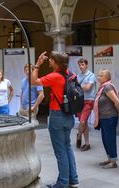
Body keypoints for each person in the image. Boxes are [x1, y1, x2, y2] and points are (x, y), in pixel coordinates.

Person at [31, 51, 79, 188]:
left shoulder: (55, 76)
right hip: (69, 115)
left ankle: (63, 182)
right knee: (67, 146)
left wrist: (38, 64)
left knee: (60, 150)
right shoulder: (71, 74)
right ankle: (73, 179)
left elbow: (34, 81)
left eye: (51, 60)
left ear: (56, 62)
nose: (49, 61)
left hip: (58, 116)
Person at [93, 69, 119, 169]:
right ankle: (110, 159)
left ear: (107, 77)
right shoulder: (102, 87)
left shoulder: (107, 87)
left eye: (101, 76)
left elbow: (117, 101)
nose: (98, 77)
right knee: (105, 139)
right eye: (98, 75)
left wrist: (118, 112)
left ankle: (113, 161)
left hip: (109, 117)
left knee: (110, 139)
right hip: (103, 117)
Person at [76, 58, 96, 151]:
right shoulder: (78, 76)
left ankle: (79, 136)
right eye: (79, 65)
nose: (81, 66)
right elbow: (74, 88)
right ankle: (87, 143)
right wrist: (80, 88)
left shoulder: (91, 75)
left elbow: (88, 87)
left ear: (86, 64)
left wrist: (78, 88)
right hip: (80, 101)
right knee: (84, 123)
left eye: (82, 64)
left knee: (82, 122)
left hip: (89, 100)